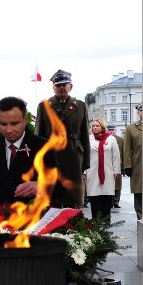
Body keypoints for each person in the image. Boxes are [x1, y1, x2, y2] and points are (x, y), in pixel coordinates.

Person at [35, 69, 90, 208]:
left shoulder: (81, 106)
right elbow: (38, 135)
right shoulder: (44, 106)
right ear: (53, 87)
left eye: (64, 85)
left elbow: (85, 135)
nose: (61, 88)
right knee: (53, 198)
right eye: (58, 85)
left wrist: (86, 161)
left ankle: (74, 224)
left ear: (71, 86)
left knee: (74, 199)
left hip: (74, 155)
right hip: (53, 154)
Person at [84, 118, 121, 221]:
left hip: (107, 171)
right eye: (93, 126)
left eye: (97, 126)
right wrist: (84, 171)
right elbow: (85, 156)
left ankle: (106, 219)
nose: (95, 128)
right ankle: (95, 219)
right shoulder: (88, 139)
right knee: (95, 197)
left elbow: (116, 155)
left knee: (106, 196)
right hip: (92, 171)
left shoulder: (111, 139)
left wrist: (116, 170)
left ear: (102, 127)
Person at [123, 104, 143, 219]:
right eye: (141, 110)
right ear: (138, 113)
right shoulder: (131, 128)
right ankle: (140, 216)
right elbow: (127, 149)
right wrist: (128, 166)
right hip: (138, 164)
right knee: (139, 191)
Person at [108, 124, 124, 208]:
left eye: (112, 130)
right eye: (109, 130)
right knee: (110, 184)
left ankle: (116, 201)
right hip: (108, 165)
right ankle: (110, 201)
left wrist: (124, 166)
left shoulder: (121, 140)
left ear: (115, 130)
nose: (111, 131)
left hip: (119, 164)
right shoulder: (106, 139)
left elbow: (124, 152)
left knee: (118, 184)